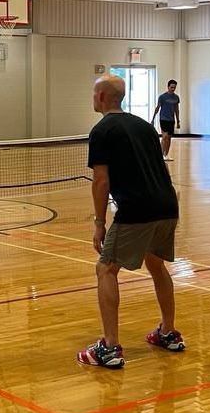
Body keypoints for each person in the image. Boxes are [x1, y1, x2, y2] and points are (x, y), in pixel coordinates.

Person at [79, 74, 185, 369]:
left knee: (106, 269)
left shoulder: (102, 130)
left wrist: (99, 222)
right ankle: (168, 332)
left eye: (93, 93)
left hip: (137, 210)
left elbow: (101, 182)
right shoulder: (144, 126)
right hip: (167, 205)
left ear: (101, 97)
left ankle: (109, 348)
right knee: (156, 264)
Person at [151, 79, 181, 160]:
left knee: (169, 138)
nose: (173, 89)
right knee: (164, 137)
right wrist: (153, 119)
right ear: (168, 87)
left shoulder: (176, 98)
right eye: (171, 87)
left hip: (171, 120)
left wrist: (178, 121)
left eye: (174, 87)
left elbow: (176, 110)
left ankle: (165, 154)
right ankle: (160, 154)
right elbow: (157, 108)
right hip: (163, 119)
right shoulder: (162, 97)